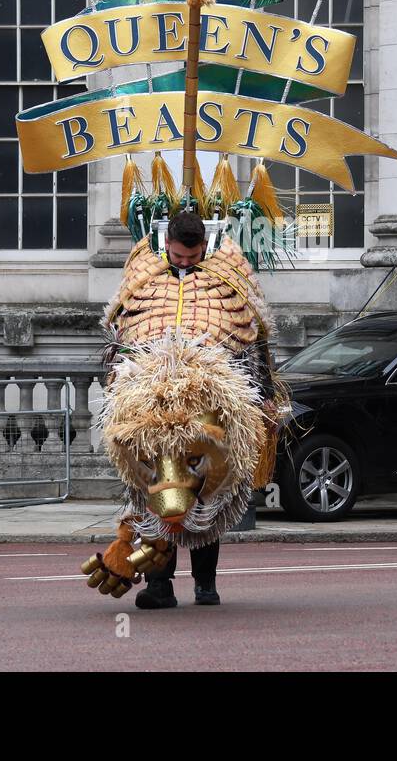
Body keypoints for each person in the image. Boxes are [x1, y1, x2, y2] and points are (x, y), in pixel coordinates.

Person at [135, 212, 224, 609]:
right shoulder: (144, 279)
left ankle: (205, 584)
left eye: (193, 256)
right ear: (167, 244)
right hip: (152, 406)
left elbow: (253, 340)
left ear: (204, 246)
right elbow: (119, 338)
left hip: (208, 405)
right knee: (157, 490)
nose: (185, 262)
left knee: (205, 491)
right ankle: (159, 584)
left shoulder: (226, 279)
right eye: (178, 255)